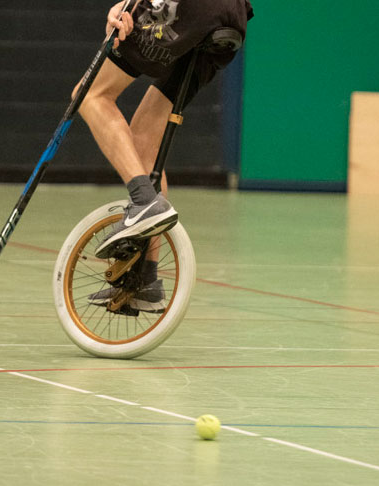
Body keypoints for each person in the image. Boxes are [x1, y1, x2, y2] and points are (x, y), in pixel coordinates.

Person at [77, 0, 252, 312]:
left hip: (193, 7)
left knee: (91, 94)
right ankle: (144, 278)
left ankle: (143, 199)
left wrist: (131, 7)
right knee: (144, 136)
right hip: (231, 17)